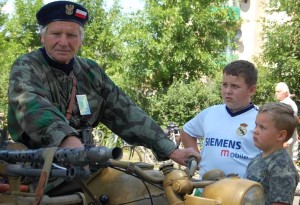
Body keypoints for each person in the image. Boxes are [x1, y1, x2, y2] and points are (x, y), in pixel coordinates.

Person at [7, 1, 200, 166]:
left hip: (86, 164)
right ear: (43, 37)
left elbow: (126, 112)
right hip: (36, 169)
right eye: (56, 34)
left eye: (72, 35)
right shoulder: (26, 66)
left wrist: (171, 150)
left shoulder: (91, 71)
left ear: (81, 40)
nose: (64, 42)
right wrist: (70, 142)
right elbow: (33, 107)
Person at [181, 60, 261, 180]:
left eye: (235, 86)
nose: (227, 90)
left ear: (251, 90)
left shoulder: (261, 119)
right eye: (224, 85)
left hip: (242, 194)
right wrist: (196, 157)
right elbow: (187, 131)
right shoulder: (210, 113)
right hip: (204, 190)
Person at [245, 102, 299, 205]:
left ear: (281, 135)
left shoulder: (282, 167)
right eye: (256, 125)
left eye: (262, 127)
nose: (255, 131)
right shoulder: (258, 158)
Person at [275, 82, 299, 170]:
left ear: (285, 93)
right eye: (276, 92)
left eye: (278, 92)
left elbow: (288, 125)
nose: (276, 94)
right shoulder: (286, 103)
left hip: (286, 139)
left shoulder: (287, 104)